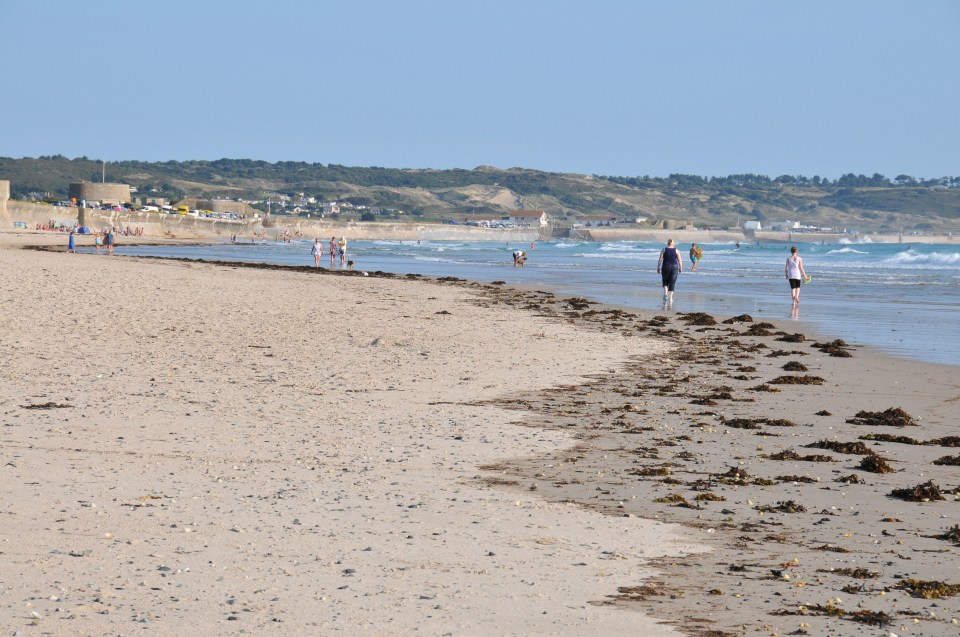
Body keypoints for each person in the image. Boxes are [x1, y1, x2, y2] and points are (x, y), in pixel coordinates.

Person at [657, 239, 682, 303]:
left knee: (665, 281)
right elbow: (680, 261)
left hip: (665, 266)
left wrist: (658, 267)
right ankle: (670, 298)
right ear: (673, 244)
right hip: (674, 267)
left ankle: (665, 294)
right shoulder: (677, 251)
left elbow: (660, 260)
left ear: (667, 243)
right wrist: (680, 268)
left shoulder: (664, 250)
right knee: (672, 282)